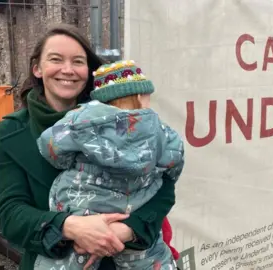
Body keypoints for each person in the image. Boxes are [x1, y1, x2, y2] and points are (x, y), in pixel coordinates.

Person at [0, 23, 178, 270]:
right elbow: (10, 212)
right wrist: (70, 227)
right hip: (51, 260)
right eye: (56, 59)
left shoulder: (126, 119)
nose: (67, 70)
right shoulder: (12, 132)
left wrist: (124, 231)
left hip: (127, 258)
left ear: (89, 70)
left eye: (78, 61)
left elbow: (163, 188)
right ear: (37, 68)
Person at [33, 60, 184, 269]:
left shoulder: (79, 120)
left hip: (83, 210)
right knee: (149, 257)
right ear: (141, 96)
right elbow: (174, 165)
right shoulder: (163, 131)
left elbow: (49, 147)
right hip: (133, 211)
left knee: (70, 259)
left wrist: (71, 161)